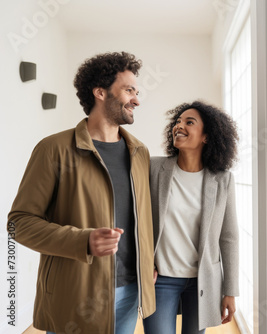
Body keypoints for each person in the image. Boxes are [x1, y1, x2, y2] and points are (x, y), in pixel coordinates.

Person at [7, 51, 156, 334]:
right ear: (100, 92)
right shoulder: (53, 149)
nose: (137, 100)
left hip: (130, 290)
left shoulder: (140, 152)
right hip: (75, 293)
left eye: (137, 92)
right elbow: (19, 223)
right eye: (128, 90)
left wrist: (149, 261)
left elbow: (143, 217)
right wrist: (83, 241)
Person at [143, 101, 239, 334]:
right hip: (161, 279)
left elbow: (229, 237)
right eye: (177, 122)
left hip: (203, 280)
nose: (179, 126)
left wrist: (230, 291)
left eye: (189, 122)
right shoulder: (154, 168)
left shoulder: (223, 179)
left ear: (207, 136)